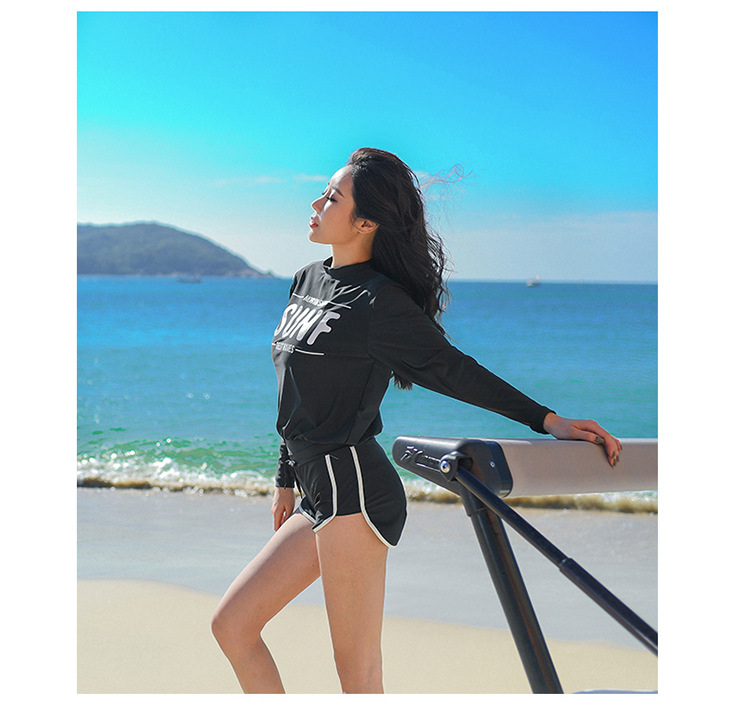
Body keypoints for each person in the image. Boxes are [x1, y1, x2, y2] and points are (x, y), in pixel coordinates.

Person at [210, 148, 622, 694]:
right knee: (233, 626)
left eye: (331, 197)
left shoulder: (380, 303)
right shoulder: (307, 279)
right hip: (315, 489)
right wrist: (285, 477)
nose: (315, 204)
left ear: (365, 222)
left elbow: (454, 371)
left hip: (355, 491)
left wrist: (546, 420)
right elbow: (296, 393)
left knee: (357, 675)